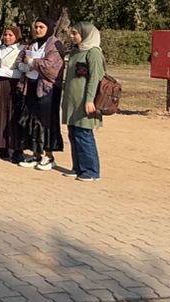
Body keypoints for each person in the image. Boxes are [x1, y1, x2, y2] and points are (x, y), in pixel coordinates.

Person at [17, 18, 65, 170]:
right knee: (32, 120)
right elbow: (21, 59)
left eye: (41, 27)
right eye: (36, 27)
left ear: (48, 28)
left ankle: (49, 156)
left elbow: (52, 68)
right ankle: (36, 153)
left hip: (47, 90)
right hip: (31, 86)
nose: (38, 30)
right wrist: (25, 65)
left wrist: (32, 63)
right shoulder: (33, 44)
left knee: (46, 122)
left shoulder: (54, 45)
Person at [63, 22, 106, 182]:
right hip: (73, 101)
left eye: (75, 33)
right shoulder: (76, 51)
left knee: (84, 134)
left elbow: (95, 78)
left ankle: (91, 171)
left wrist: (89, 99)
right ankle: (78, 167)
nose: (72, 36)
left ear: (86, 34)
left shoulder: (93, 53)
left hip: (85, 101)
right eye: (72, 33)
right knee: (73, 132)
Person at [0, 23, 24, 161]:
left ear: (16, 36)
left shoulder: (20, 50)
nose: (7, 37)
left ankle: (17, 149)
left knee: (12, 116)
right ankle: (2, 147)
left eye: (10, 35)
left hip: (12, 87)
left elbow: (19, 72)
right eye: (5, 34)